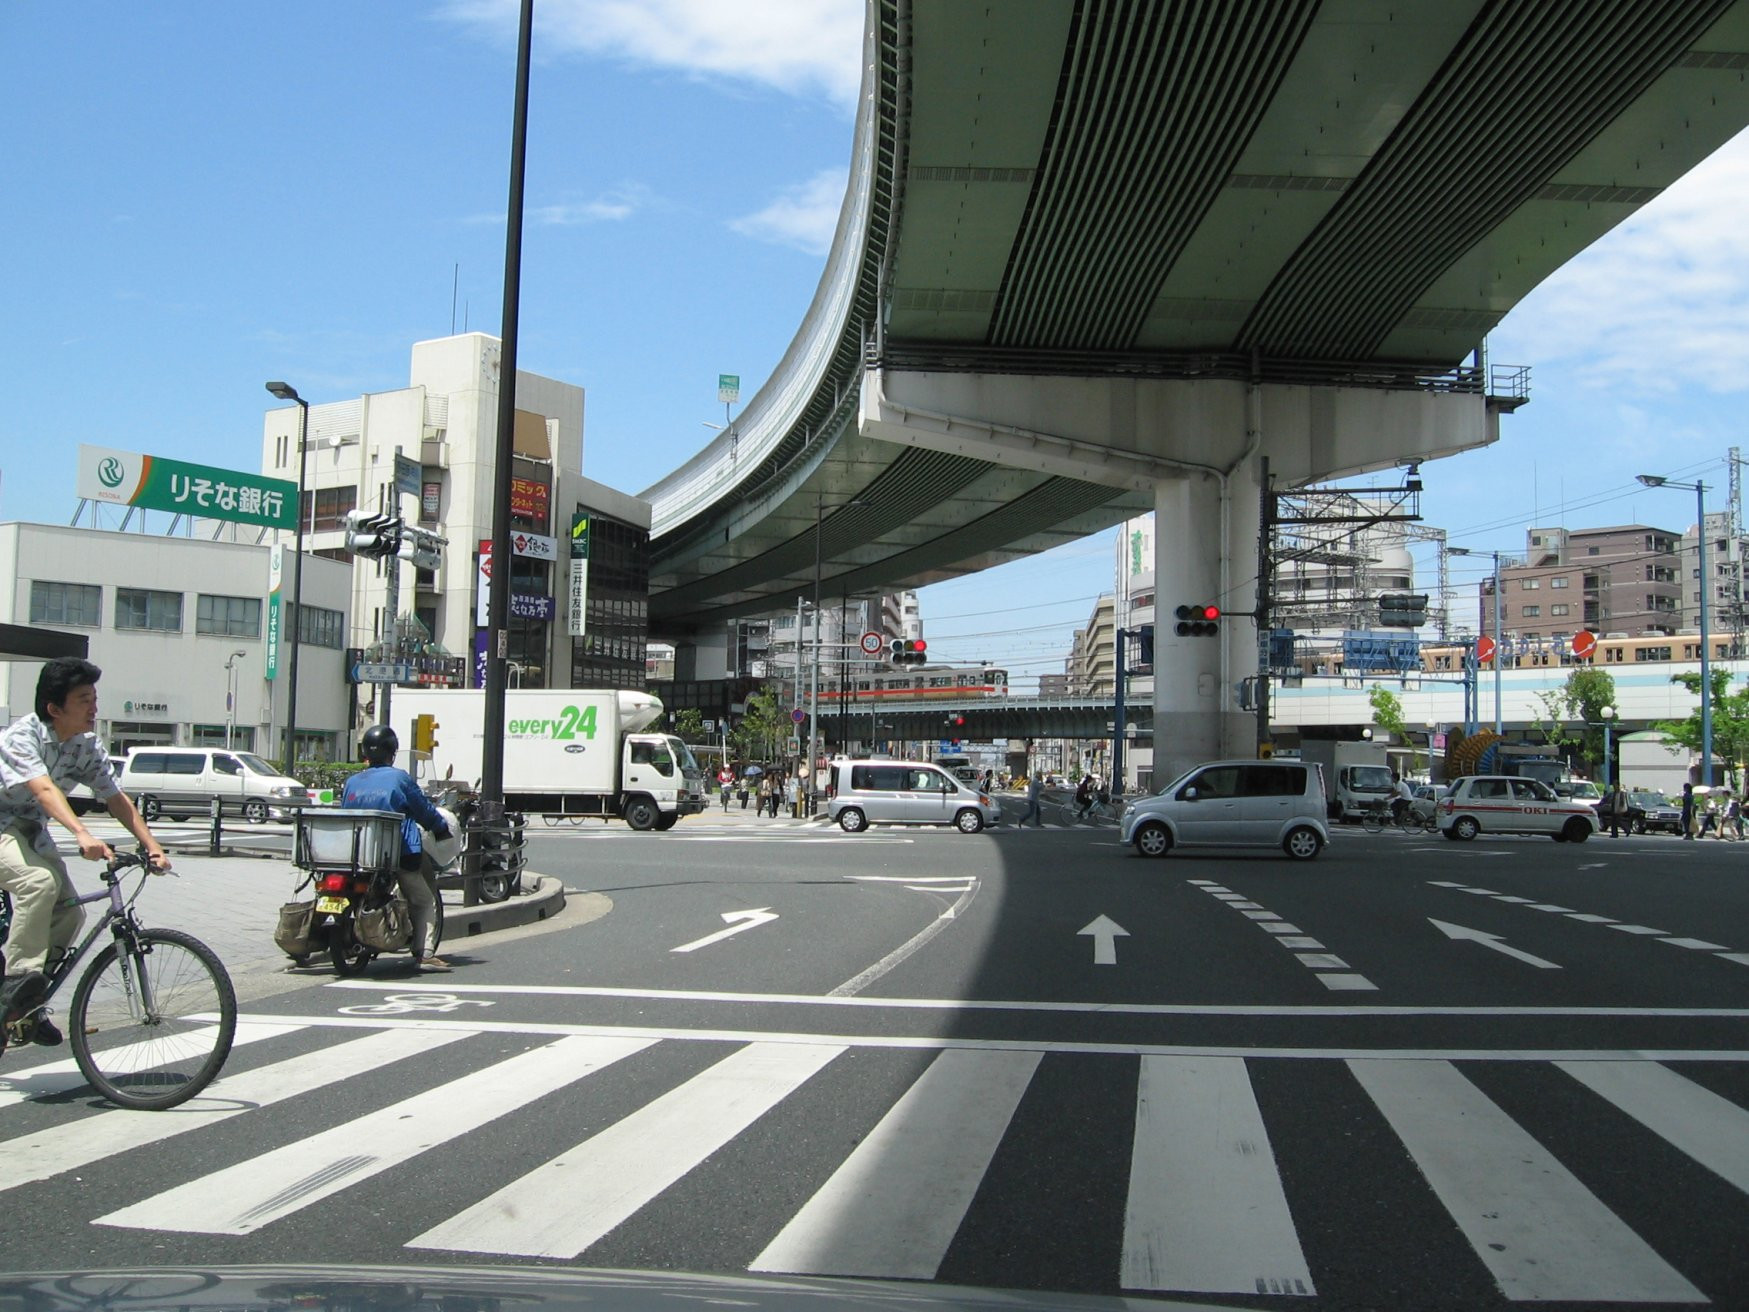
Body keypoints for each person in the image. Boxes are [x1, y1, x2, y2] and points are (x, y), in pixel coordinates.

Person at [0, 658, 171, 1043]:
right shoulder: (21, 737)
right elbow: (44, 789)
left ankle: (27, 1007)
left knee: (70, 912)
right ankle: (16, 986)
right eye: (84, 700)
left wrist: (153, 847)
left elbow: (115, 798)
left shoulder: (85, 745)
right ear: (55, 708)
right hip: (1, 826)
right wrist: (81, 833)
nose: (94, 708)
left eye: (94, 698)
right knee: (38, 883)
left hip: (30, 830)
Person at [342, 724, 453, 972]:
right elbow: (423, 809)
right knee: (423, 899)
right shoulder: (400, 778)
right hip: (396, 853)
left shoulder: (352, 782)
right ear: (392, 752)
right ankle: (424, 954)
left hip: (356, 854)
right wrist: (439, 827)